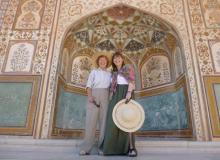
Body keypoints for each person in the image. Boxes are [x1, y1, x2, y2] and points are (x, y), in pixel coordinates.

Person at [100, 52, 137, 157]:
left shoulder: (127, 68)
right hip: (115, 96)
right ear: (113, 61)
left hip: (126, 93)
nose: (117, 60)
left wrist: (129, 93)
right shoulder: (113, 73)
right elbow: (111, 87)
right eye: (115, 59)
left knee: (128, 120)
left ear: (122, 59)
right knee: (113, 120)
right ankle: (110, 148)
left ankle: (130, 148)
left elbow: (132, 82)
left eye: (118, 58)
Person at [79, 54, 111, 155]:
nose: (102, 62)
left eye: (104, 60)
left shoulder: (110, 74)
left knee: (104, 123)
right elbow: (88, 85)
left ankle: (102, 147)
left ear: (107, 62)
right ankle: (86, 148)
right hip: (94, 95)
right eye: (101, 60)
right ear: (98, 62)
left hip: (106, 96)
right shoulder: (94, 72)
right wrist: (90, 96)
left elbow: (111, 88)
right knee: (90, 122)